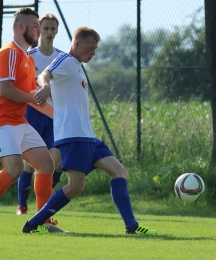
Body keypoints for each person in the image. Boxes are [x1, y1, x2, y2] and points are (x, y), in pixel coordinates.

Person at [22, 26, 157, 235]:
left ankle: (132, 226)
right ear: (76, 44)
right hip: (73, 135)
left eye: (95, 49)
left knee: (119, 172)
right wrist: (46, 86)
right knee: (76, 187)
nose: (93, 53)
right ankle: (33, 224)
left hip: (88, 137)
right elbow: (45, 75)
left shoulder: (77, 65)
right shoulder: (65, 61)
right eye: (90, 48)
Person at [0, 8, 57, 234]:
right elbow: (5, 90)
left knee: (46, 165)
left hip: (17, 121)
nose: (38, 31)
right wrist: (36, 96)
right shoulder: (10, 53)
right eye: (35, 26)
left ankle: (42, 223)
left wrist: (62, 117)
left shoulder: (25, 56)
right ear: (21, 27)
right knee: (14, 169)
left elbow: (33, 99)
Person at [16, 13, 63, 216]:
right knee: (29, 164)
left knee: (56, 162)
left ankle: (44, 206)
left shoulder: (62, 58)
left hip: (55, 118)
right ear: (38, 30)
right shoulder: (30, 56)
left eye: (53, 29)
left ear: (57, 31)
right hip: (32, 115)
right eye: (46, 28)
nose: (49, 32)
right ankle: (22, 205)